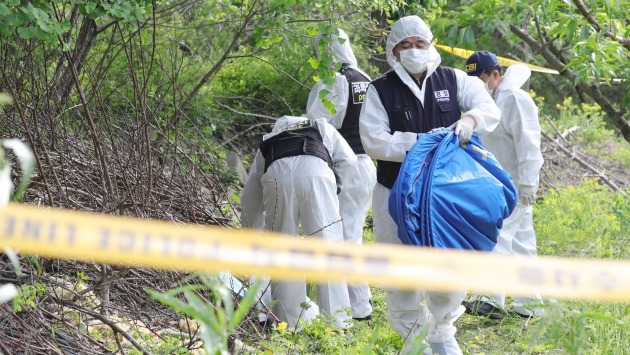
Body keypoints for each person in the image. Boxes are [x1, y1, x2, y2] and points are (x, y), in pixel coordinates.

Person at [359, 16, 501, 354]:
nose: (413, 51)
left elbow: (488, 108)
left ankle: (441, 335)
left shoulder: (452, 79)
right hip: (395, 193)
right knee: (399, 270)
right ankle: (413, 340)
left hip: (445, 195)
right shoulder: (380, 89)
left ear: (430, 45)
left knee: (449, 264)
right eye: (404, 46)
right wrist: (424, 142)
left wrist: (470, 119)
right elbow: (374, 141)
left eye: (419, 44)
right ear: (393, 52)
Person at [240, 115, 357, 330]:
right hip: (317, 173)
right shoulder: (321, 126)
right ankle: (338, 325)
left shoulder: (268, 140)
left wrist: (250, 233)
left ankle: (290, 324)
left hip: (277, 177)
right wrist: (336, 185)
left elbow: (251, 197)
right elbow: (349, 159)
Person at [462, 51, 545, 319]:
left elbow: (529, 145)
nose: (477, 85)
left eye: (481, 78)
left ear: (496, 75)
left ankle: (490, 300)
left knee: (497, 236)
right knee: (522, 244)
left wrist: (528, 184)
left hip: (515, 184)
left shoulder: (515, 100)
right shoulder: (487, 102)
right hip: (496, 182)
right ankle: (529, 305)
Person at [305, 28, 376, 321]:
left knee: (344, 237)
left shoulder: (333, 83)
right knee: (352, 233)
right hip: (368, 166)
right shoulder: (367, 80)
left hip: (345, 167)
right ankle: (356, 303)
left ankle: (357, 306)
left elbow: (316, 125)